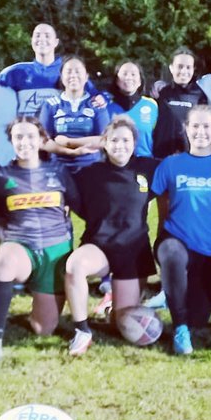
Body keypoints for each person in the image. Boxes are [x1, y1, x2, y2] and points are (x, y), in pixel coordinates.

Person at [0, 116, 80, 368]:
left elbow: (80, 205)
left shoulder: (58, 171)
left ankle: (15, 305)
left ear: (42, 139)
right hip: (21, 246)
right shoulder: (2, 174)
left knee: (43, 328)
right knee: (1, 261)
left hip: (56, 251)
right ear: (11, 141)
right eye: (18, 137)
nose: (25, 142)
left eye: (30, 136)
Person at [151, 105, 211, 355]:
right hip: (176, 240)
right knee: (171, 253)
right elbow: (141, 198)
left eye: (206, 126)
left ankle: (176, 303)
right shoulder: (171, 165)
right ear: (186, 129)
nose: (200, 131)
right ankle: (179, 328)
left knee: (199, 320)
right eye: (195, 126)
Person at [65, 117, 159, 356]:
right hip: (100, 245)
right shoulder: (89, 173)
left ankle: (110, 306)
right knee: (74, 267)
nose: (120, 145)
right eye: (113, 140)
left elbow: (179, 168)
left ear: (134, 142)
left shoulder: (148, 168)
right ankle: (82, 330)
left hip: (133, 250)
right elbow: (65, 191)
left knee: (123, 323)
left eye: (126, 140)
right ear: (104, 143)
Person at [0, 23, 96, 116]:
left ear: (56, 42)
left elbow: (96, 97)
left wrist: (101, 99)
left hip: (59, 134)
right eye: (37, 35)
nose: (42, 39)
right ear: (31, 41)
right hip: (26, 132)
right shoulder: (15, 72)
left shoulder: (69, 72)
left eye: (47, 36)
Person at [39, 56, 111, 173]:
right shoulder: (50, 105)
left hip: (91, 167)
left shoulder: (97, 104)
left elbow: (105, 139)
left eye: (78, 71)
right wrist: (69, 152)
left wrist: (69, 142)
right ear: (62, 77)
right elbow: (43, 141)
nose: (73, 75)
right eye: (68, 71)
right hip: (58, 168)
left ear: (86, 77)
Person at [153, 47, 207, 158]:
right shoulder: (162, 93)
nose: (184, 71)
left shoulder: (200, 95)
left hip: (190, 156)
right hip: (161, 156)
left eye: (188, 67)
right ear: (171, 68)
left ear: (193, 69)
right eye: (180, 67)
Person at [106, 60, 159, 157]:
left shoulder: (151, 105)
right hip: (115, 164)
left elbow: (159, 138)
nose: (129, 77)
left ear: (140, 81)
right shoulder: (107, 106)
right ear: (117, 80)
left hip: (145, 163)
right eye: (124, 74)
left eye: (133, 74)